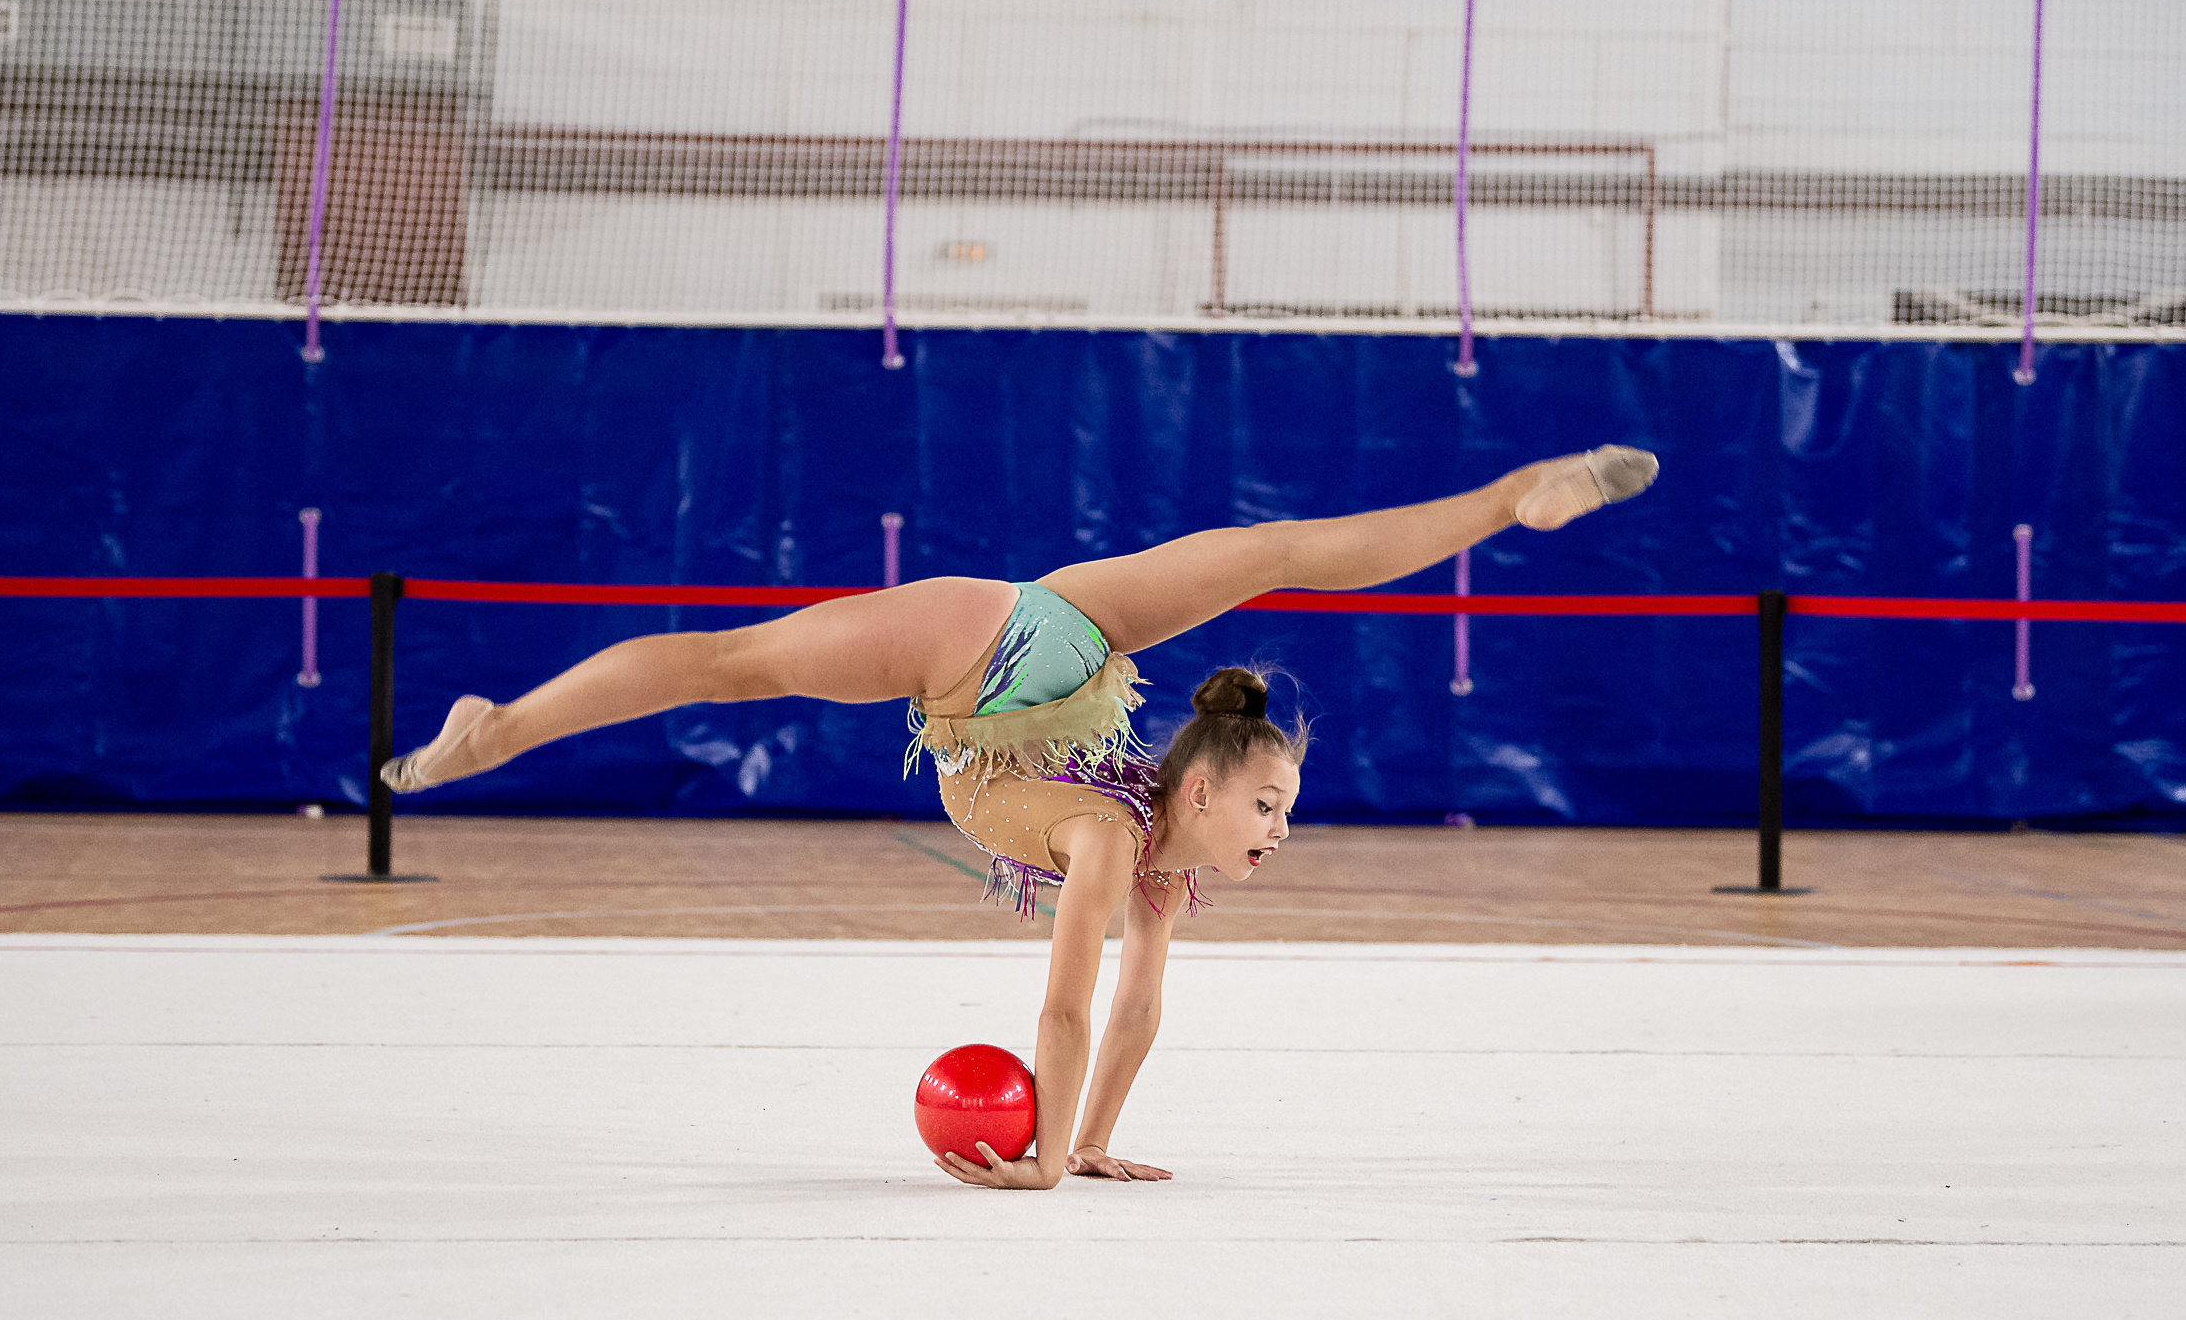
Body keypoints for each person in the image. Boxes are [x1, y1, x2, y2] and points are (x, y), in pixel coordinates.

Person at [381, 446, 1659, 1189]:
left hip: (1072, 633)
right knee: (732, 662)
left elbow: (1139, 999)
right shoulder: (1110, 838)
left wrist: (1090, 1140)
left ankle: (1511, 498)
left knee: (1275, 547)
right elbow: (1062, 1004)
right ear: (1200, 789)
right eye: (1269, 804)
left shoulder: (1159, 857)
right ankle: (498, 728)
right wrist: (1044, 1156)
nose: (1283, 829)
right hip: (984, 648)